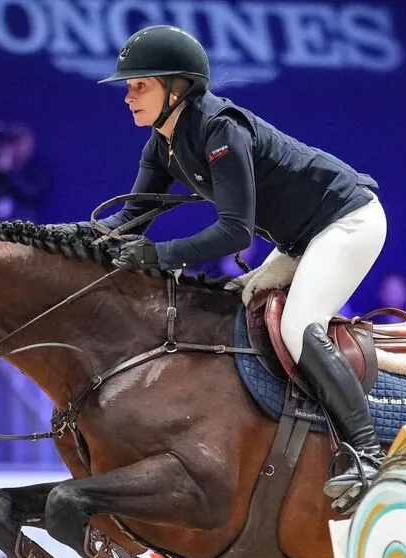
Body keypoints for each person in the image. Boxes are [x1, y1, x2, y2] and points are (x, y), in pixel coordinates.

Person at [94, 25, 385, 513]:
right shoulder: (162, 143)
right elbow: (129, 220)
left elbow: (235, 232)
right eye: (128, 86)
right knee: (239, 304)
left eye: (139, 85)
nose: (127, 96)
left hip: (347, 220)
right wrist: (60, 238)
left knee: (298, 326)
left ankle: (369, 456)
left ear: (178, 88)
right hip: (300, 239)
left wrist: (160, 256)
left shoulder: (219, 129)